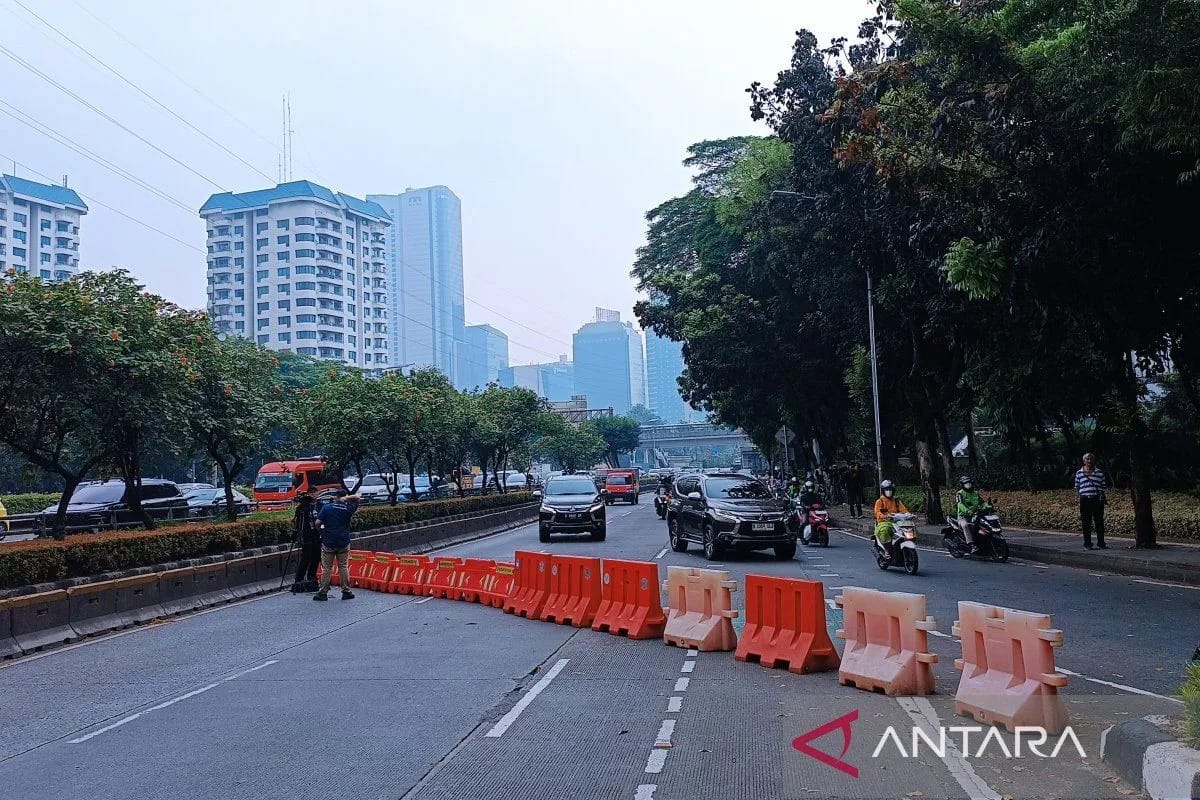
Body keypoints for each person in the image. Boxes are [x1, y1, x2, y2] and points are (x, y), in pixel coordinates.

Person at [313, 489, 360, 601]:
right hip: (343, 541)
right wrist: (346, 498)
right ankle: (346, 591)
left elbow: (317, 523)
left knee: (327, 568)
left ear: (335, 497)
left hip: (328, 541)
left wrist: (321, 531)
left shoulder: (327, 508)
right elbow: (357, 498)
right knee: (343, 566)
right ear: (344, 497)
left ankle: (323, 593)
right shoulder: (348, 509)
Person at [1074, 453, 1107, 550]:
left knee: (1099, 522)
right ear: (1084, 461)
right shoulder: (1079, 473)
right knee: (1086, 522)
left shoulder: (1099, 472)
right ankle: (1087, 544)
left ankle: (1101, 543)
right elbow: (1077, 487)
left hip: (1096, 499)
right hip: (1084, 499)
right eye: (1087, 459)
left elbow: (1103, 487)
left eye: (1091, 459)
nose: (1089, 461)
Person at [289, 492, 320, 593]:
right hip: (306, 538)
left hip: (315, 537)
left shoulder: (314, 508)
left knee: (316, 558)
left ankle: (311, 578)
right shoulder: (302, 510)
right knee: (305, 559)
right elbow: (299, 525)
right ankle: (299, 580)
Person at [873, 479, 909, 557]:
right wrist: (884, 516)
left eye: (890, 489)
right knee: (884, 530)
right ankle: (887, 550)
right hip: (884, 522)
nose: (889, 491)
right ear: (883, 491)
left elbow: (904, 510)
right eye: (887, 490)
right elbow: (877, 512)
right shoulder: (879, 501)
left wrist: (908, 515)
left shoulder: (896, 501)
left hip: (897, 521)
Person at [954, 475, 984, 552]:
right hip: (963, 516)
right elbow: (959, 505)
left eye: (969, 483)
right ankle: (971, 544)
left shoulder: (975, 493)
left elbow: (982, 503)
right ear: (962, 485)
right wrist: (967, 511)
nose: (968, 485)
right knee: (965, 525)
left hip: (975, 515)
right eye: (966, 484)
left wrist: (988, 506)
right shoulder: (960, 493)